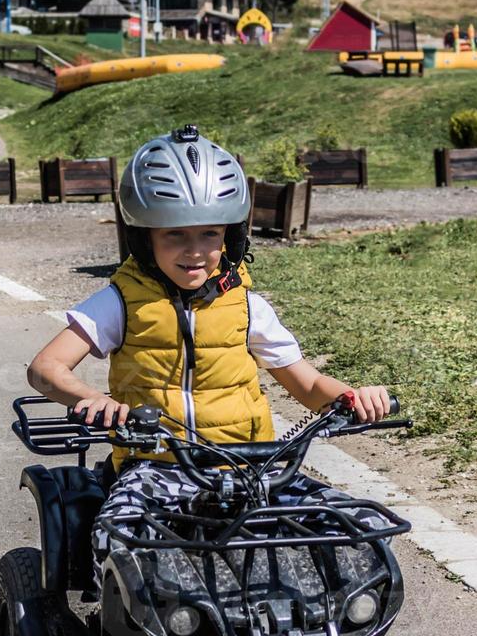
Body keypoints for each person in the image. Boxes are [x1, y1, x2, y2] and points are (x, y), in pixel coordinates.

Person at [25, 125, 395, 573]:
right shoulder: (120, 303)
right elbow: (46, 367)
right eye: (174, 235)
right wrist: (95, 402)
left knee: (358, 529)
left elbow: (309, 383)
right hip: (155, 468)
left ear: (231, 238)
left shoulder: (248, 307)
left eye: (209, 234)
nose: (195, 251)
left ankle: (321, 635)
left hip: (252, 468)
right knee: (119, 541)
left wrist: (352, 397)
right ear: (144, 238)